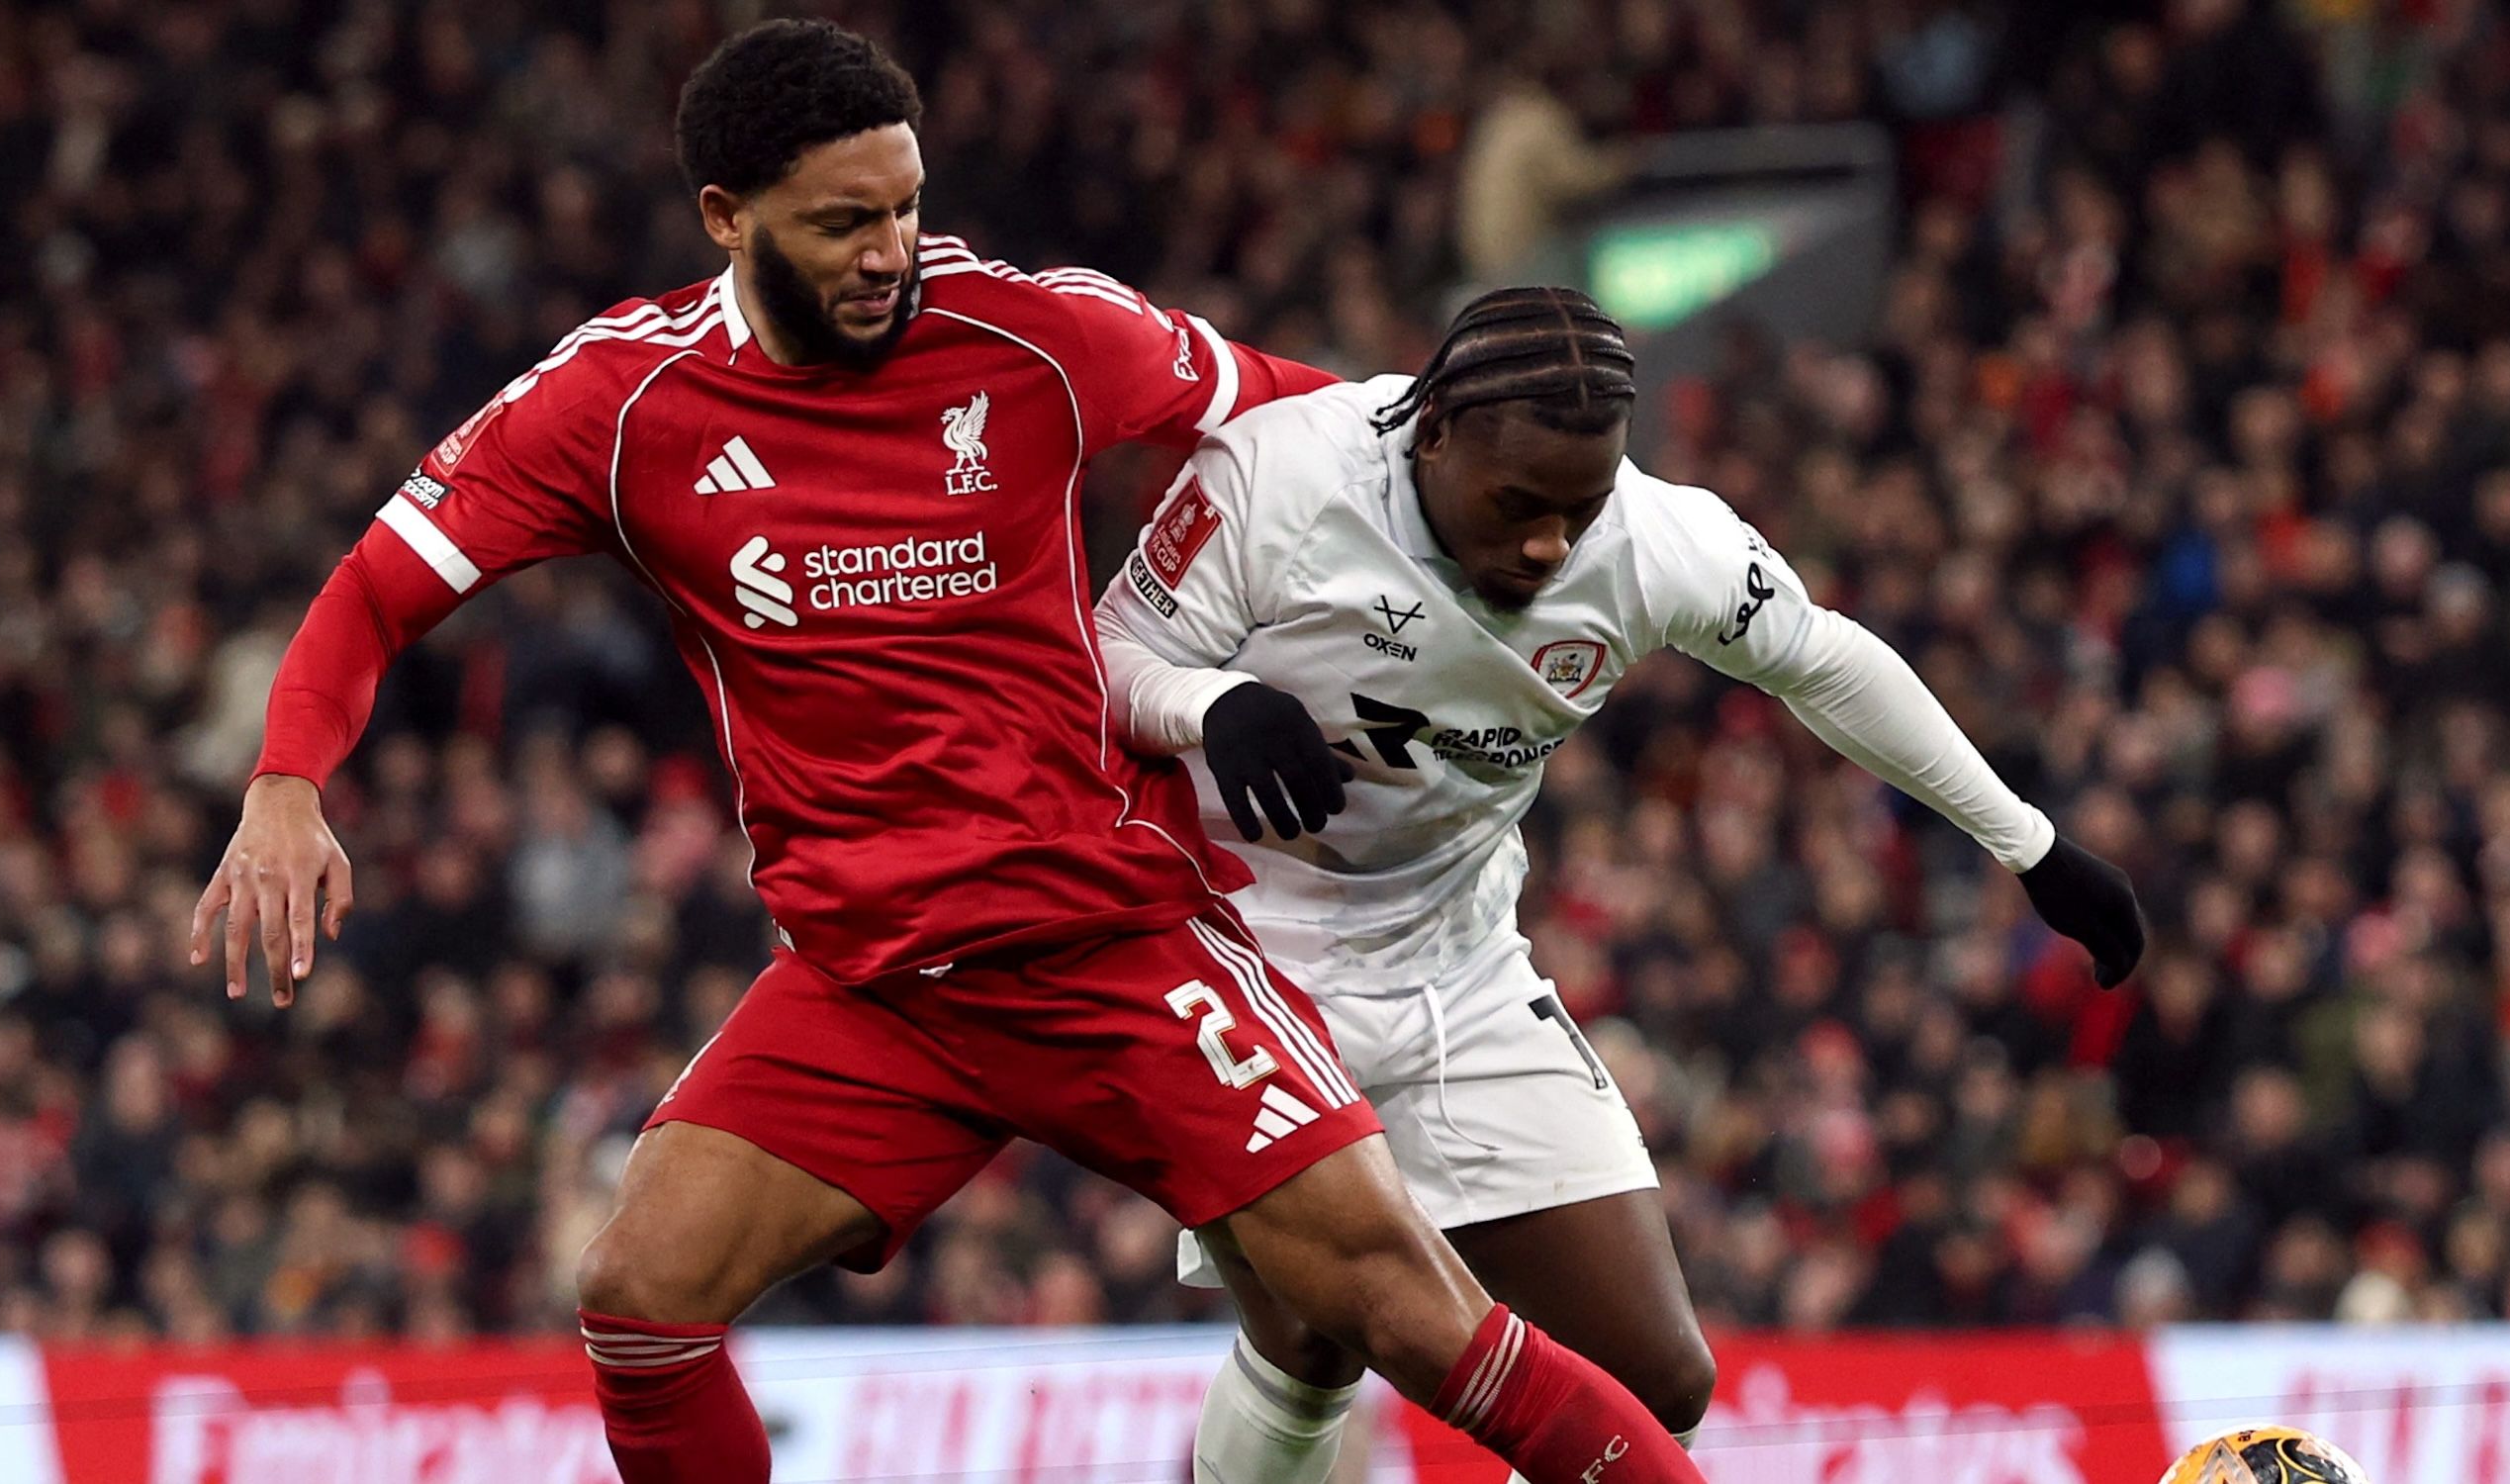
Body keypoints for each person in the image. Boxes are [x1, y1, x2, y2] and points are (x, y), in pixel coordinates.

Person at [183, 22, 1713, 1484]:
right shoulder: (622, 402)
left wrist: (1538, 547)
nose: (891, 251)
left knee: (1404, 1312)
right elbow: (381, 587)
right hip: (875, 981)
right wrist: (285, 783)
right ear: (728, 216)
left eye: (908, 207)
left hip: (1107, 941)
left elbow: (1318, 424)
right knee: (640, 1294)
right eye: (846, 220)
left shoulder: (1034, 335)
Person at [1093, 287, 2148, 1482]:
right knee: (1311, 1344)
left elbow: (1825, 660)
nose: (1550, 546)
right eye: (1519, 506)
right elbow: (1107, 658)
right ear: (1431, 432)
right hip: (1242, 953)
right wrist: (1213, 703)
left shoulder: (1654, 543)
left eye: (1578, 509)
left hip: (1457, 957)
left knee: (1660, 1378)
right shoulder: (1280, 477)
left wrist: (2032, 846)